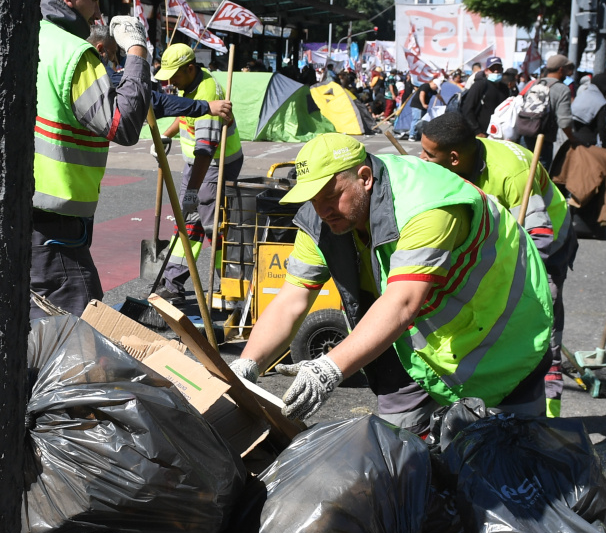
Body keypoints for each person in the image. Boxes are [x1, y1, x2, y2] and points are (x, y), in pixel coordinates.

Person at [227, 133, 553, 431]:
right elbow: (291, 300)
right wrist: (247, 365)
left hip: (502, 340)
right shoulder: (322, 216)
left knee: (514, 459)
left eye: (331, 195)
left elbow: (403, 303)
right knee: (402, 459)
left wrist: (328, 368)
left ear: (365, 179)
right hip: (416, 346)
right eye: (312, 198)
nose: (322, 209)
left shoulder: (426, 204)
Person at [419, 112, 575, 415]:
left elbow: (538, 239)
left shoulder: (510, 174)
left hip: (546, 244)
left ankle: (547, 424)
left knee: (541, 334)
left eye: (428, 154)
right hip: (501, 242)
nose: (421, 158)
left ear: (453, 158)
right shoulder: (459, 160)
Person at [30, 0, 156, 312]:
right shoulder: (74, 52)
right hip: (55, 221)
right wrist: (136, 52)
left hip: (16, 212)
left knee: (33, 329)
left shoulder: (14, 32)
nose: (99, 14)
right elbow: (124, 125)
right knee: (80, 333)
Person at [153, 40, 242, 307]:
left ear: (190, 69)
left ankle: (231, 289)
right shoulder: (189, 85)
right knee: (188, 221)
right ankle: (173, 282)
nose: (169, 82)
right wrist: (165, 136)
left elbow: (206, 151)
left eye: (173, 76)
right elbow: (185, 114)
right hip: (197, 164)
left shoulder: (209, 96)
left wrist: (192, 190)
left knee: (213, 227)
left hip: (215, 164)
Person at [460, 56, 512, 134]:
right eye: (493, 69)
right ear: (486, 71)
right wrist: (477, 131)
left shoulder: (505, 88)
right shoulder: (480, 85)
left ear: (502, 70)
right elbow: (467, 109)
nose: (496, 71)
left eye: (498, 68)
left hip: (500, 134)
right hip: (482, 134)